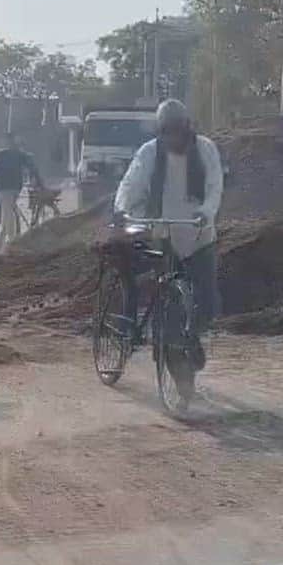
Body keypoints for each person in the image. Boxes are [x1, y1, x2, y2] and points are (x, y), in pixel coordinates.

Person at [113, 99, 223, 371]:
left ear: (188, 128)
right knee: (168, 305)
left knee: (207, 304)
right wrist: (123, 209)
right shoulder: (149, 154)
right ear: (160, 132)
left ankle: (191, 336)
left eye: (179, 131)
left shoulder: (206, 150)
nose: (175, 138)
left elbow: (214, 186)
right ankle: (168, 354)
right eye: (168, 132)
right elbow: (131, 185)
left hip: (200, 237)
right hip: (163, 237)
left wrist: (206, 212)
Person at [0, 135, 42, 252]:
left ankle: (12, 241)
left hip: (5, 188)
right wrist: (38, 182)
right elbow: (32, 166)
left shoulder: (0, 155)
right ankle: (1, 242)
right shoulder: (19, 154)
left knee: (7, 213)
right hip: (15, 188)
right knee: (7, 212)